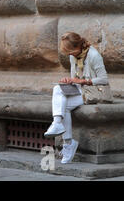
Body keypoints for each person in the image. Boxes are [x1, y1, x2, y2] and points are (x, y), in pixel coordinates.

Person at [44, 32, 109, 164]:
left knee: (64, 105)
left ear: (77, 47)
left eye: (70, 51)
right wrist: (68, 80)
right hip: (81, 89)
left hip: (95, 91)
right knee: (58, 89)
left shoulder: (93, 55)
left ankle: (67, 141)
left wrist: (82, 81)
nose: (69, 54)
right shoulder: (73, 56)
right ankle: (61, 131)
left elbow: (104, 79)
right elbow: (75, 77)